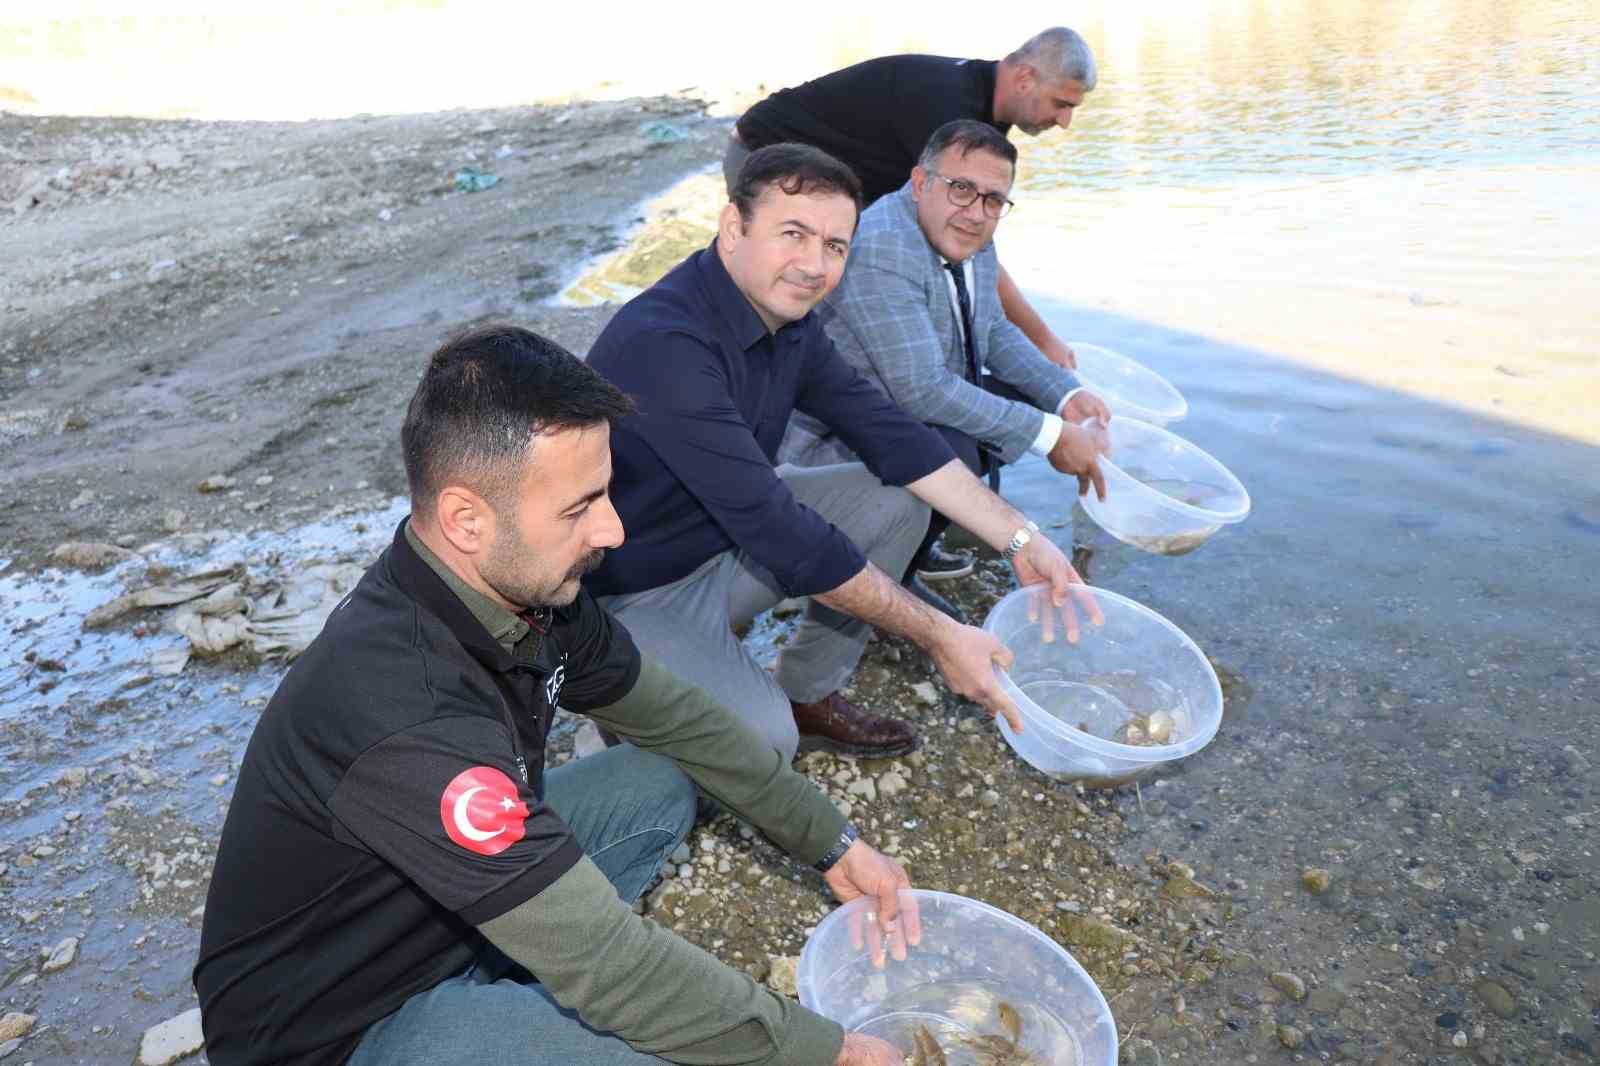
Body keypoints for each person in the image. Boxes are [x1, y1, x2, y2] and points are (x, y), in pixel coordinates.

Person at [192, 324, 913, 1066]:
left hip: (436, 918)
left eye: (605, 491)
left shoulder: (529, 594)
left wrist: (829, 840)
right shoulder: (409, 717)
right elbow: (613, 967)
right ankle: (512, 986)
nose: (614, 528)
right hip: (339, 1030)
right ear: (466, 520)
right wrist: (829, 1052)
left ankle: (518, 961)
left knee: (662, 779)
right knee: (651, 1041)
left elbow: (678, 720)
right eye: (579, 507)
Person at [585, 143, 1088, 765]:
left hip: (727, 546)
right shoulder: (666, 344)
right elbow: (783, 532)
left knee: (900, 501)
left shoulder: (787, 318)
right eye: (792, 234)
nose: (812, 266)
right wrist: (942, 636)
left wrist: (1021, 538)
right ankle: (620, 710)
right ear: (733, 227)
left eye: (835, 246)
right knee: (762, 748)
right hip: (636, 591)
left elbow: (889, 432)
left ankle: (806, 695)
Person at [780, 120, 1110, 575]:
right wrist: (1051, 436)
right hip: (825, 451)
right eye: (961, 188)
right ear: (920, 183)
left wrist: (1065, 396)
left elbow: (992, 328)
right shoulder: (881, 248)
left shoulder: (969, 232)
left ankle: (911, 555)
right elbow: (923, 390)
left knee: (1019, 404)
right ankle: (873, 565)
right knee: (958, 440)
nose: (976, 212)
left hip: (892, 415)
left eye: (993, 199)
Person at [726, 27, 1097, 372]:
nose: (1064, 121)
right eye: (1061, 103)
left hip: (846, 177)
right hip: (769, 154)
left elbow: (967, 253)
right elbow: (969, 243)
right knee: (801, 284)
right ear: (1025, 79)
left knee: (900, 277)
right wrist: (1043, 341)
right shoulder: (948, 108)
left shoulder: (984, 112)